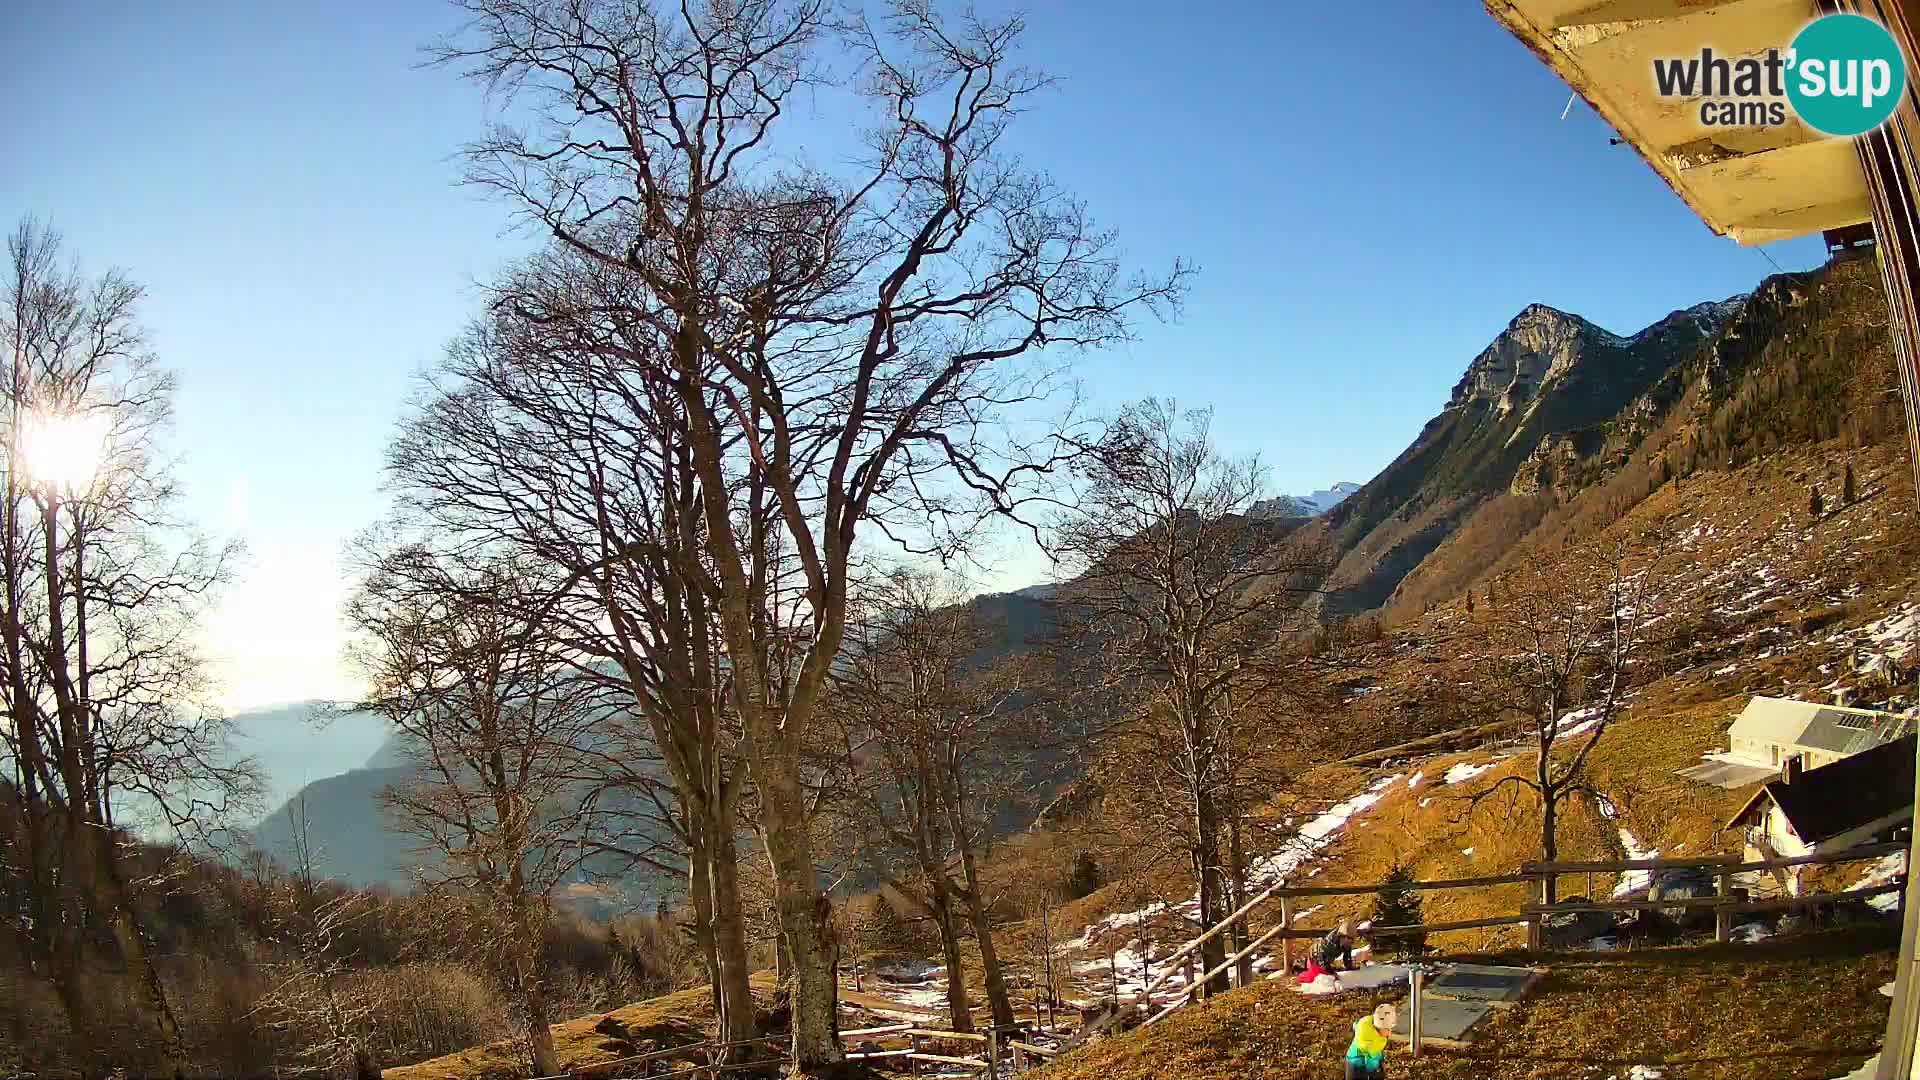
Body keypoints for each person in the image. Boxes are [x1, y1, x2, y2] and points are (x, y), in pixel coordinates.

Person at [1345, 1002, 1397, 1079]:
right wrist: (1376, 1073)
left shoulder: (1367, 1021)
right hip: (1357, 1063)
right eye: (1387, 1029)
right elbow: (1371, 1064)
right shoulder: (1375, 1042)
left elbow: (1356, 1025)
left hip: (1352, 1058)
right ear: (1379, 1026)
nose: (1390, 1033)